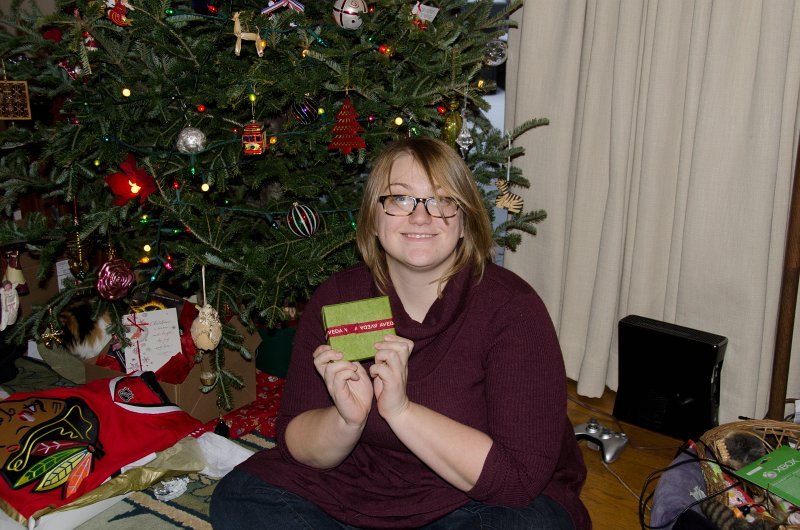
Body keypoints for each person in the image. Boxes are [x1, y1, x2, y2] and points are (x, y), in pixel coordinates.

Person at [210, 137, 590, 529]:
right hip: (356, 481)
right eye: (400, 199)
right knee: (240, 498)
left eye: (442, 200)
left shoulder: (512, 309)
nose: (421, 217)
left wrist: (401, 411)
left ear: (464, 221)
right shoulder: (339, 298)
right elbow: (294, 444)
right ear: (375, 219)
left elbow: (516, 480)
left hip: (471, 498)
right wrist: (346, 421)